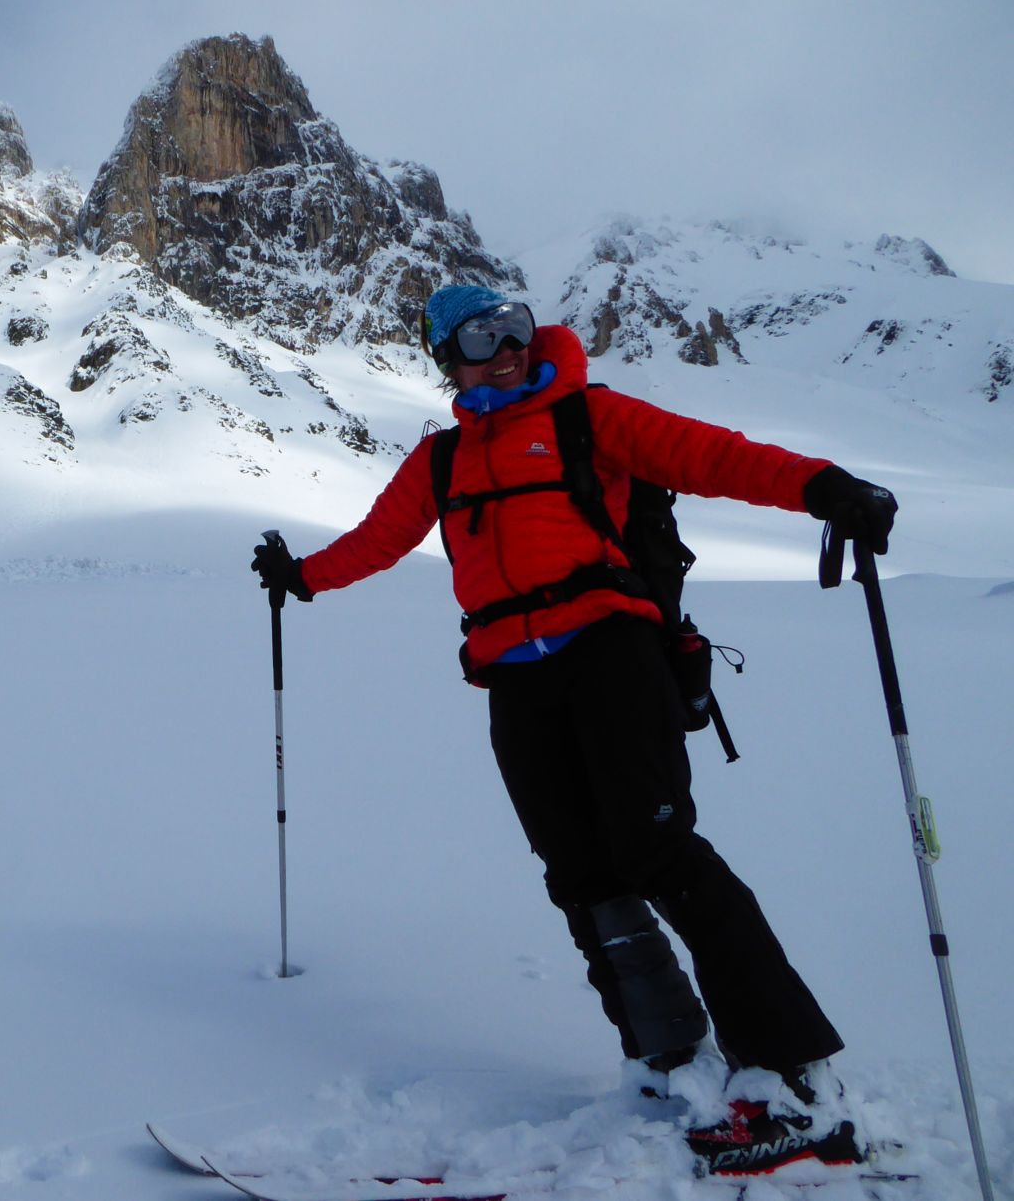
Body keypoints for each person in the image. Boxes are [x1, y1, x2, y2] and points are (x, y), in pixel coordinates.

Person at [249, 285, 898, 1175]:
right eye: (480, 338)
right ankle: (666, 1058)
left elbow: (714, 456)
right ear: (447, 355)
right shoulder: (440, 463)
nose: (505, 348)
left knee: (661, 851)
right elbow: (381, 538)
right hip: (515, 681)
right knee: (581, 872)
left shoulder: (590, 416)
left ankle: (796, 1079)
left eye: (514, 329)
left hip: (612, 654)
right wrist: (304, 578)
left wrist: (823, 487)